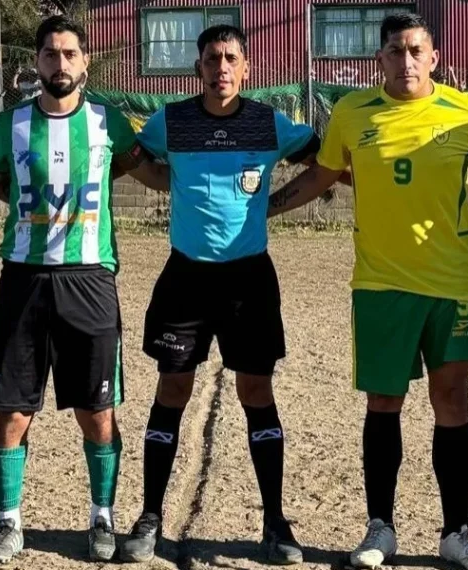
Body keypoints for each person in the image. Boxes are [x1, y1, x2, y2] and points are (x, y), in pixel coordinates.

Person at [266, 13, 468, 570]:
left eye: (415, 50)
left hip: (452, 284)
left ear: (433, 57)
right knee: (385, 403)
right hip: (380, 285)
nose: (405, 61)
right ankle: (380, 528)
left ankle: (457, 534)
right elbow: (321, 177)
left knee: (451, 403)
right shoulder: (352, 114)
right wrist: (267, 207)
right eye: (394, 52)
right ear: (378, 59)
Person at [119, 24, 343, 566]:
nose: (221, 67)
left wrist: (276, 203)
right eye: (212, 59)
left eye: (231, 59)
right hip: (186, 277)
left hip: (248, 280)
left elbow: (327, 164)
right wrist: (168, 185)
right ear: (198, 68)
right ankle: (149, 515)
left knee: (256, 392)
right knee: (173, 388)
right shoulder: (171, 120)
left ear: (246, 68)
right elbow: (134, 158)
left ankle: (275, 520)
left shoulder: (270, 123)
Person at [0, 15, 166, 564]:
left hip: (91, 279)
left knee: (97, 412)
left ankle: (101, 517)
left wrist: (214, 174)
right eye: (51, 55)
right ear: (37, 62)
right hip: (23, 280)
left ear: (85, 61)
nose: (61, 64)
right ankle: (8, 524)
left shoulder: (109, 123)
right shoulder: (9, 125)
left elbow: (150, 174)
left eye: (70, 54)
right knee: (13, 412)